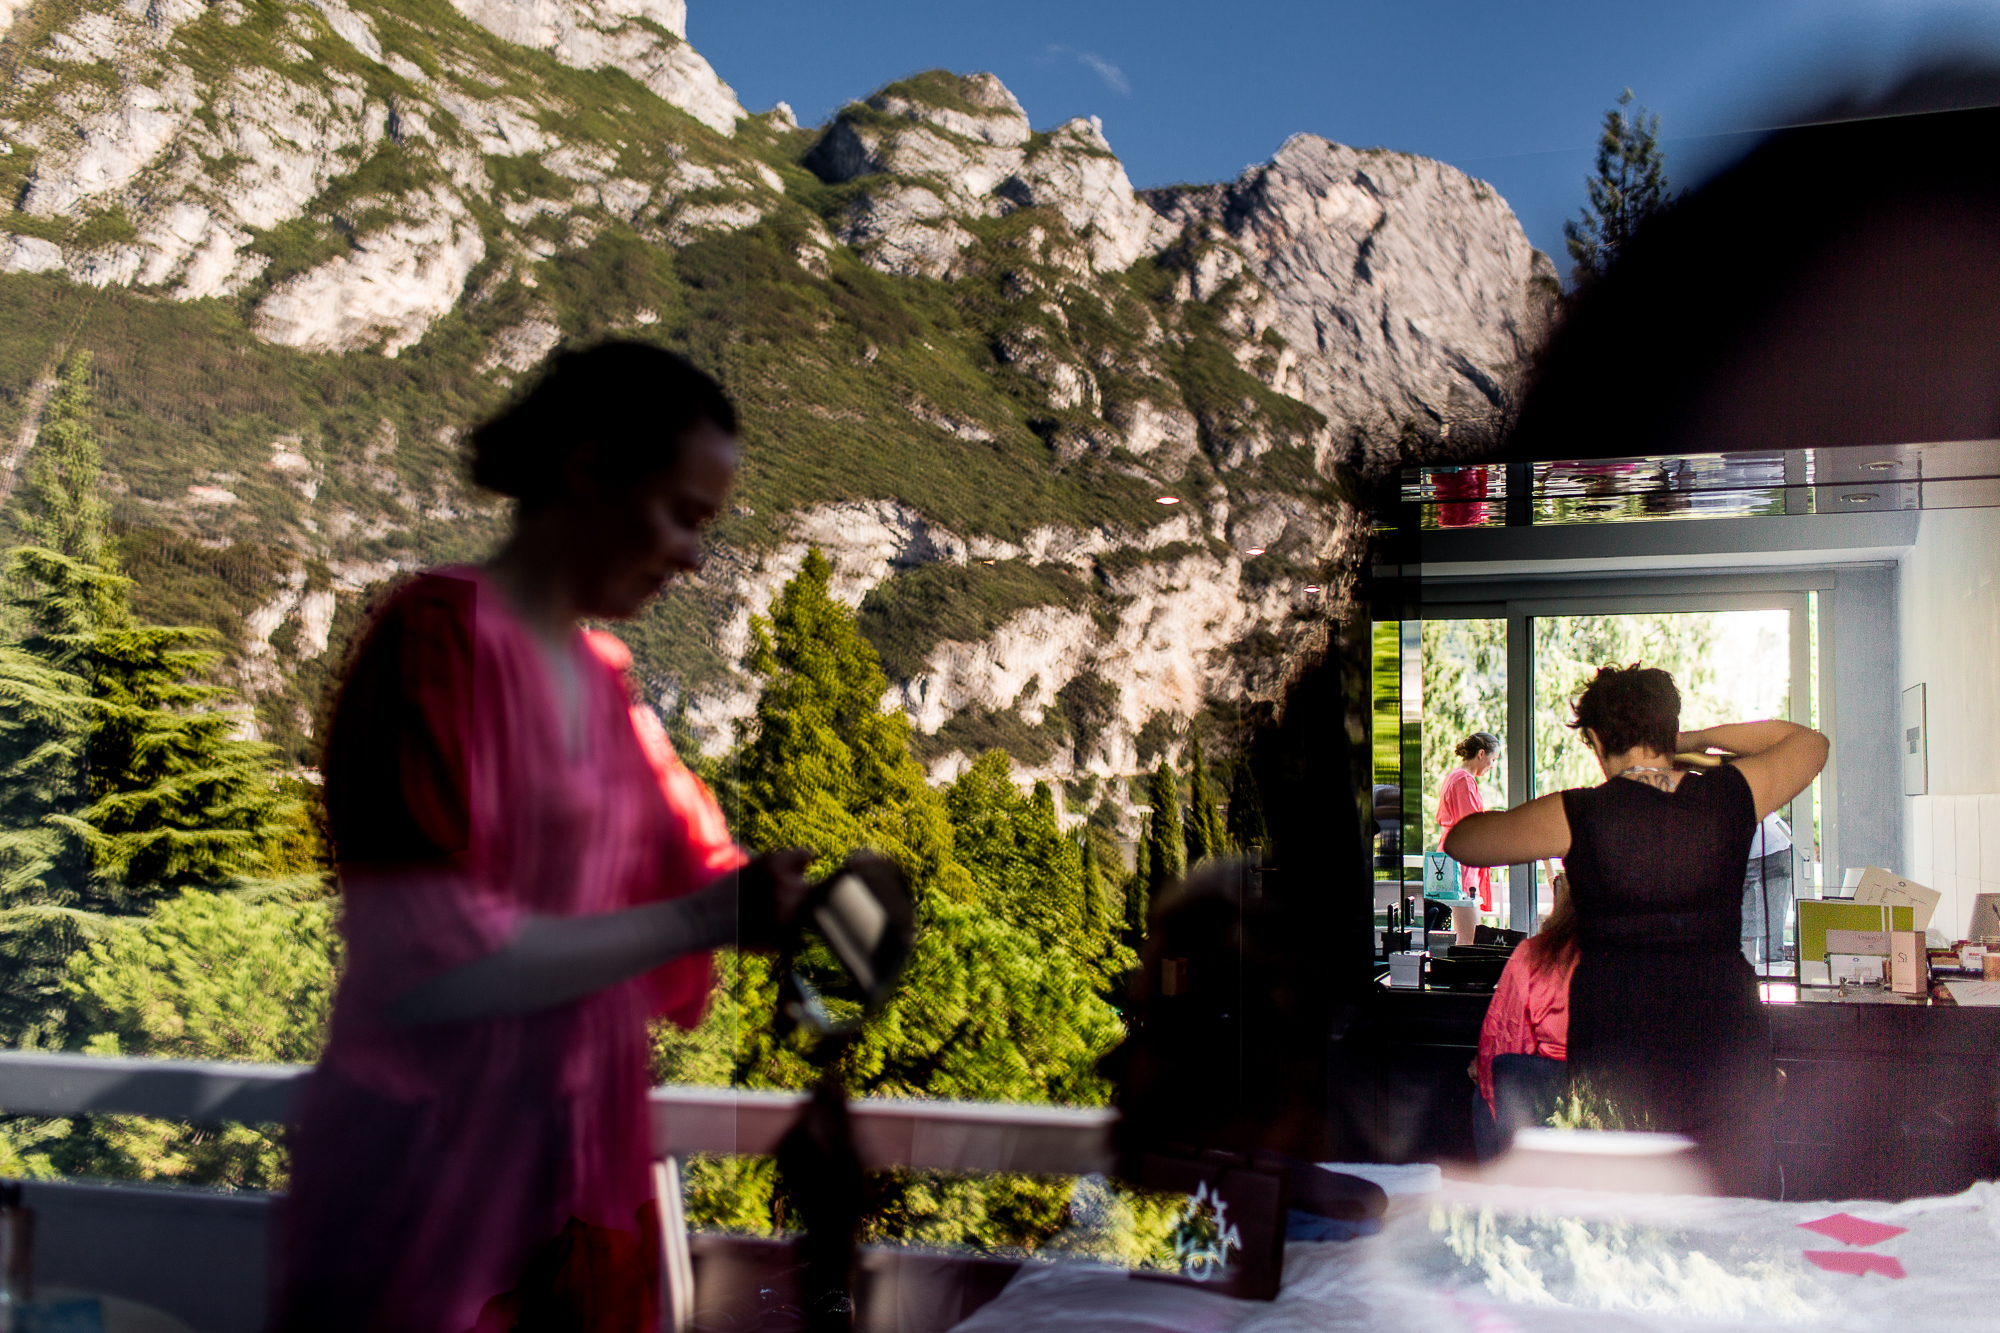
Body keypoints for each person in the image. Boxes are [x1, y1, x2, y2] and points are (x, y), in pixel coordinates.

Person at [270, 342, 813, 1331]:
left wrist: (813, 905)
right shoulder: (434, 636)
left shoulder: (607, 680)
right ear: (586, 466)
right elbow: (432, 958)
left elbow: (698, 874)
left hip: (585, 1178)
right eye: (683, 515)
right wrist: (705, 916)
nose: (696, 556)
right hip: (434, 1187)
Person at [1444, 665, 1828, 1195]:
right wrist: (1688, 745)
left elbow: (1462, 842)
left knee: (1628, 1231)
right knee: (1733, 1227)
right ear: (1668, 727)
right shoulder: (1732, 795)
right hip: (1723, 1045)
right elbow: (1808, 742)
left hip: (1618, 1053)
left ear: (1595, 741)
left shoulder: (1578, 813)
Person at [1470, 864, 1578, 1161]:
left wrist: (1482, 1067)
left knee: (1487, 1084)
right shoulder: (1653, 957)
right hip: (1629, 1103)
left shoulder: (1536, 955)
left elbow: (1504, 1041)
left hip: (1547, 1110)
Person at [1435, 733, 1499, 912]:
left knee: (1460, 930)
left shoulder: (1453, 776)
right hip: (1461, 859)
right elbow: (1471, 825)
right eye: (1492, 759)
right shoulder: (1464, 780)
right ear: (1481, 754)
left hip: (1453, 856)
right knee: (1468, 934)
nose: (1492, 766)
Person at [1742, 809, 1794, 971]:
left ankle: (1769, 971)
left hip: (1775, 849)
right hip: (1769, 845)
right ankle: (1748, 969)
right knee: (1750, 919)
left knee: (1768, 918)